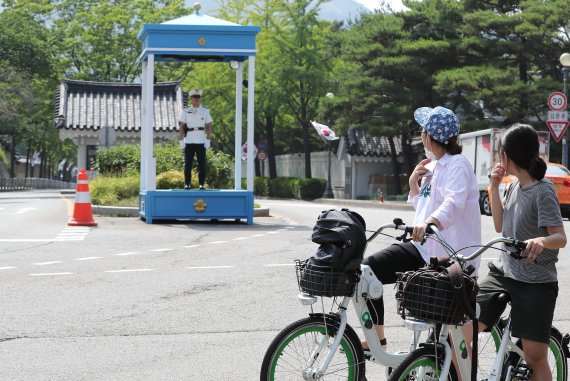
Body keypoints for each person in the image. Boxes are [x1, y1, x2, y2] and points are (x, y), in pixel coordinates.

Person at [361, 106, 482, 350]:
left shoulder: (457, 165)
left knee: (439, 340)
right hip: (425, 248)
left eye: (422, 129)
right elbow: (426, 207)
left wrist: (430, 222)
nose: (421, 135)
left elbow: (453, 203)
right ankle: (378, 339)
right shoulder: (434, 165)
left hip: (449, 255)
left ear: (429, 135)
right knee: (367, 270)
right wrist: (413, 184)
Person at [478, 123, 567, 381]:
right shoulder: (513, 185)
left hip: (535, 282)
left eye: (499, 152)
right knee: (466, 326)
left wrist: (541, 240)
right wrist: (494, 187)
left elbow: (560, 237)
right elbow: (499, 225)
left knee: (535, 356)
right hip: (505, 271)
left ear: (506, 155)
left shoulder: (543, 191)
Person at [178, 89, 213, 189]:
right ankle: (187, 183)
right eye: (194, 97)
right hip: (189, 139)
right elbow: (181, 125)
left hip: (201, 139)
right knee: (188, 163)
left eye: (198, 97)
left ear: (200, 98)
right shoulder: (186, 111)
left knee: (202, 163)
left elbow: (209, 125)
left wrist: (208, 139)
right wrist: (181, 139)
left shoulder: (205, 111)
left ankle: (201, 183)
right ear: (191, 98)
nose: (197, 99)